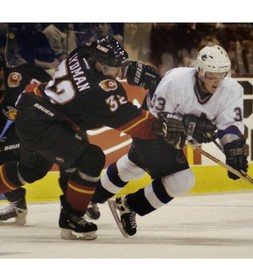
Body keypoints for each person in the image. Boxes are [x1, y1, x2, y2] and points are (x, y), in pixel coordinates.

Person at [0, 35, 187, 240]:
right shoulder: (101, 91)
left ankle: (71, 214)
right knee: (91, 159)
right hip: (44, 122)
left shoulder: (81, 52)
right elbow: (134, 123)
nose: (118, 72)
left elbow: (99, 51)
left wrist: (127, 68)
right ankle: (72, 217)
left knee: (31, 170)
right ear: (102, 65)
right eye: (115, 67)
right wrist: (164, 127)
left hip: (31, 107)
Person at [87, 45, 249, 237]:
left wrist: (233, 150)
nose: (216, 82)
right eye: (211, 76)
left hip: (173, 138)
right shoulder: (175, 81)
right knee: (182, 180)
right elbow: (155, 118)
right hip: (151, 131)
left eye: (221, 76)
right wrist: (188, 125)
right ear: (200, 71)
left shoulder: (232, 90)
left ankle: (89, 198)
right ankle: (129, 205)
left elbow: (230, 124)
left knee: (133, 165)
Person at [0, 53, 64, 224]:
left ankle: (84, 202)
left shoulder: (21, 75)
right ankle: (17, 203)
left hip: (47, 131)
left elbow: (53, 85)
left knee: (73, 157)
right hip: (20, 139)